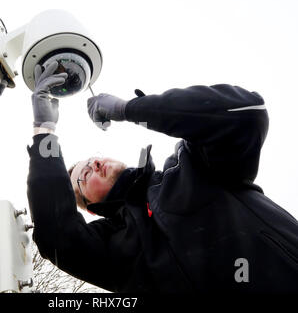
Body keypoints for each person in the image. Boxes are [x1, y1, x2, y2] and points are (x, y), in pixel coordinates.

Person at [26, 61, 298, 293]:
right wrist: (44, 131)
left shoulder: (192, 167)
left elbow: (244, 115)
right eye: (84, 175)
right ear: (92, 210)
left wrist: (129, 109)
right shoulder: (114, 249)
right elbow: (56, 234)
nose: (94, 163)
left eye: (93, 158)